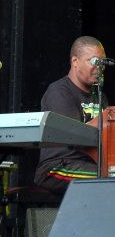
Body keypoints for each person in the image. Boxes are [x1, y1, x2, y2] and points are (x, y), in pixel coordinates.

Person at [34, 36, 108, 194]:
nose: (99, 68)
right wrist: (107, 118)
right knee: (111, 176)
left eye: (102, 62)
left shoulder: (99, 95)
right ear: (75, 61)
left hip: (88, 163)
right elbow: (74, 136)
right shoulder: (59, 92)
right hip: (58, 166)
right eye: (94, 61)